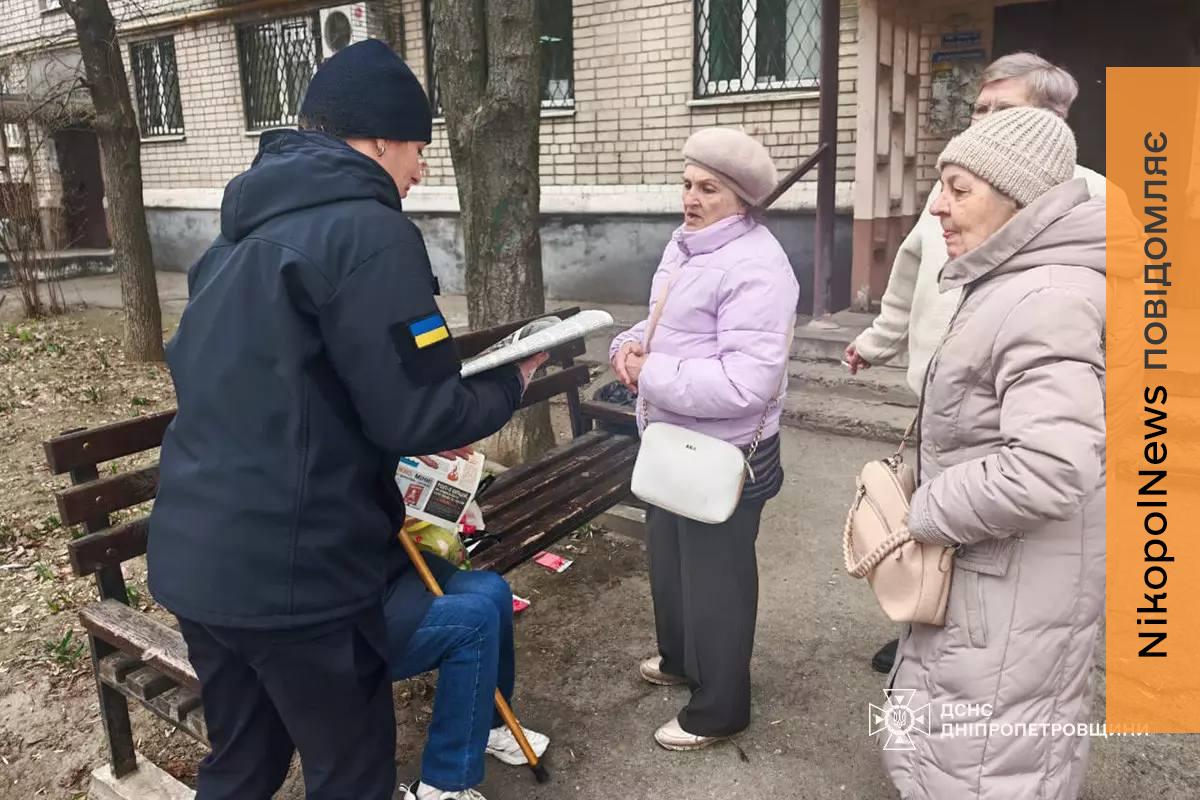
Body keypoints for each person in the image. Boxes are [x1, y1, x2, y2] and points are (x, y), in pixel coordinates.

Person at [147, 40, 545, 800]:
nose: (422, 170)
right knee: (350, 772)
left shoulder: (234, 240)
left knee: (242, 762)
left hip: (198, 564)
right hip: (300, 582)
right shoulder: (369, 231)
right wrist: (512, 382)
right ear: (381, 139)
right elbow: (419, 411)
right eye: (420, 149)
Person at [844, 52, 1107, 675]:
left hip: (1020, 413)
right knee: (940, 566)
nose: (984, 123)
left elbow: (1049, 459)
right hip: (947, 393)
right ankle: (923, 621)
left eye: (1002, 111)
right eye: (979, 110)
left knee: (992, 569)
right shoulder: (961, 185)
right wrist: (876, 344)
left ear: (1050, 121)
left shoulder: (1088, 201)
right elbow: (907, 282)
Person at [882, 106, 1105, 799]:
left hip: (1011, 588)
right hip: (1009, 578)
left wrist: (926, 508)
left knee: (986, 765)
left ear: (1018, 196)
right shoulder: (1020, 279)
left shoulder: (1045, 296)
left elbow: (1052, 467)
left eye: (958, 188)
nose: (938, 209)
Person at [609, 128, 798, 751]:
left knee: (717, 580)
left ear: (741, 199)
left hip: (727, 454)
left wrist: (648, 373)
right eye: (687, 184)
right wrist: (628, 343)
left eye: (708, 188)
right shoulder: (688, 247)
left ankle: (720, 708)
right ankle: (684, 663)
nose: (690, 198)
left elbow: (746, 384)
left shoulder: (757, 266)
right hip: (671, 440)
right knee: (670, 560)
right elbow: (665, 322)